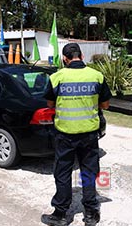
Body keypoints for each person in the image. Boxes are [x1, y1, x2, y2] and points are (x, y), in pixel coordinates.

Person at [41, 43, 112, 226]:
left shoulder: (57, 77)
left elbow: (49, 104)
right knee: (88, 172)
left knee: (63, 173)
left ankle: (61, 214)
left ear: (65, 59)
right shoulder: (96, 76)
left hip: (65, 135)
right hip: (89, 134)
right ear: (81, 56)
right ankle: (90, 213)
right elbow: (105, 105)